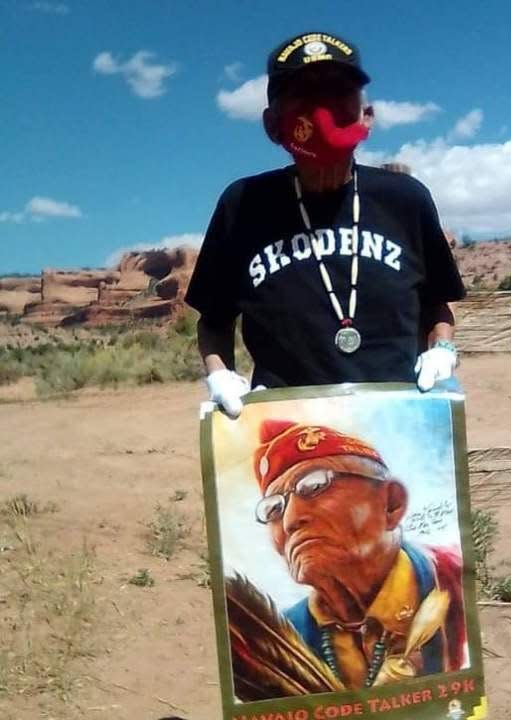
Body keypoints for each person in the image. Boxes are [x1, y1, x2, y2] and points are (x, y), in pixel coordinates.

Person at [185, 31, 465, 416]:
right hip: (288, 424)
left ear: (366, 114)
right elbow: (213, 319)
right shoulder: (244, 205)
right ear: (273, 124)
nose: (323, 110)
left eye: (339, 93)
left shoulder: (405, 200)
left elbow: (437, 303)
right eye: (304, 95)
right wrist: (220, 375)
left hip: (400, 423)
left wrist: (443, 351)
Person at [225, 419, 467, 690]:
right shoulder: (279, 641)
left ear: (391, 503)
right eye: (273, 510)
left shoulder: (456, 580)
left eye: (313, 485)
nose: (290, 520)